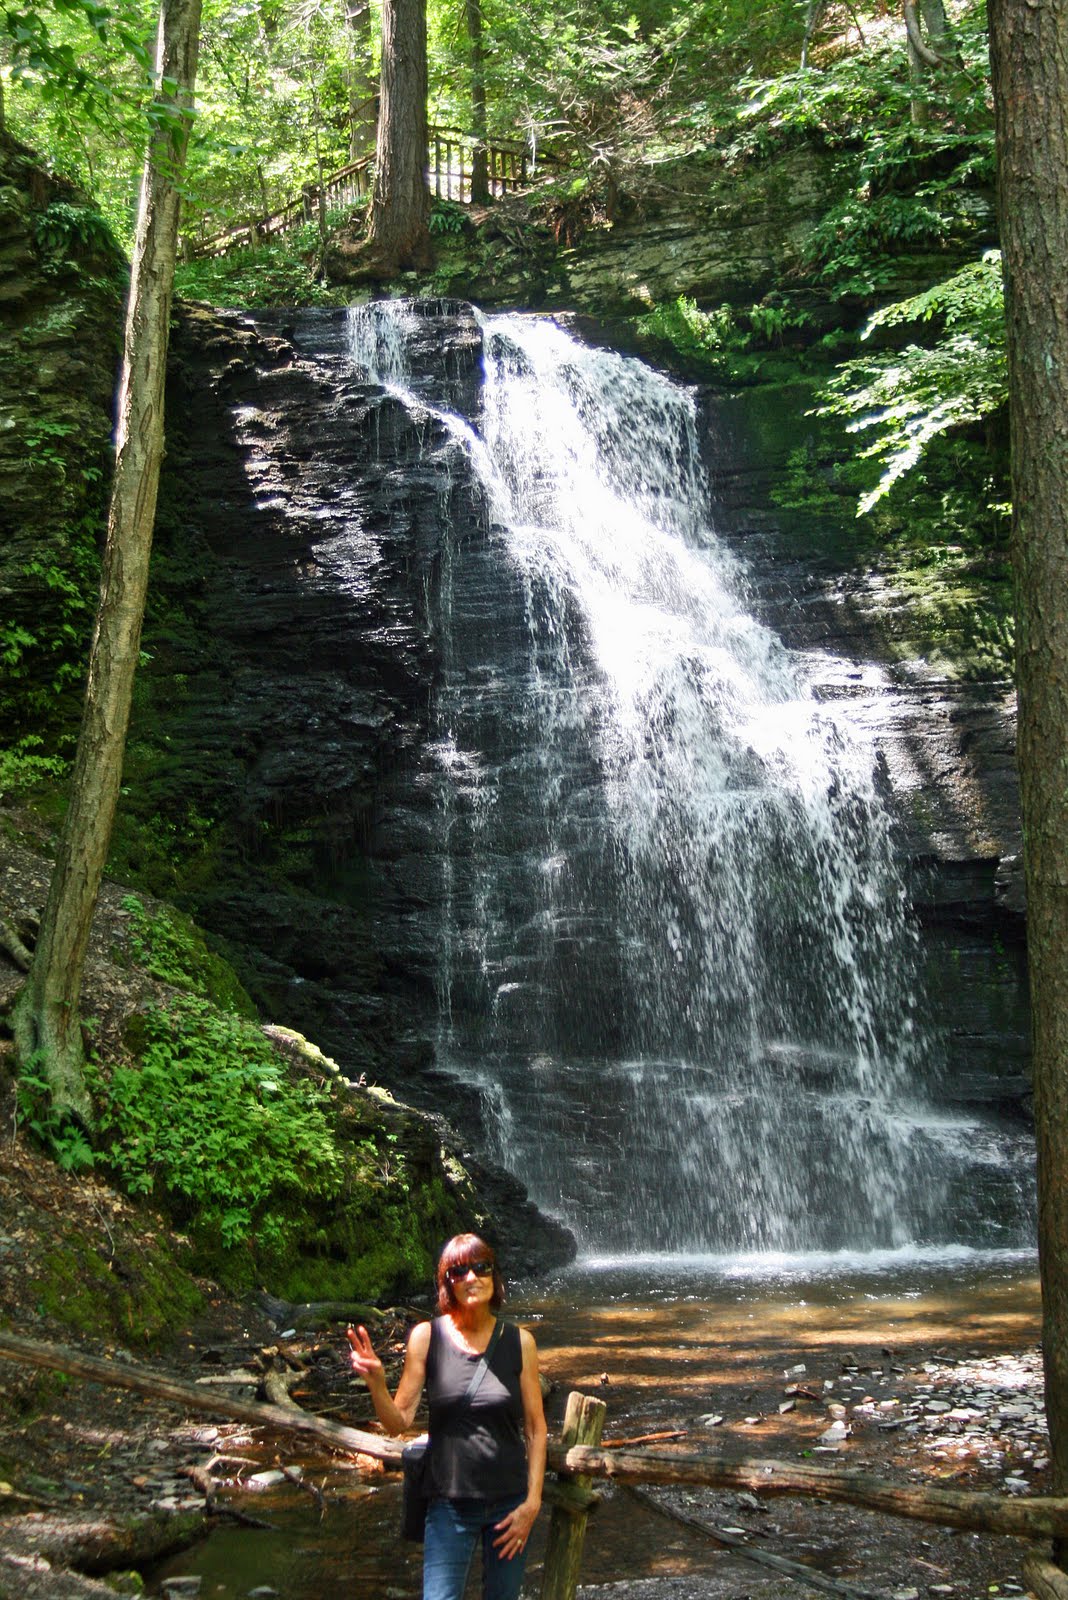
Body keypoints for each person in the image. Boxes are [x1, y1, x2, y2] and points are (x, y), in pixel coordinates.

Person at [347, 1233, 547, 1600]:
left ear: (494, 1275)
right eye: (458, 1271)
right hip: (449, 1506)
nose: (471, 1277)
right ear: (447, 1283)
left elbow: (536, 1428)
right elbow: (399, 1421)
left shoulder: (521, 1343)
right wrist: (376, 1383)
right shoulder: (426, 1338)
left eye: (481, 1267)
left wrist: (532, 1504)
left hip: (510, 1506)